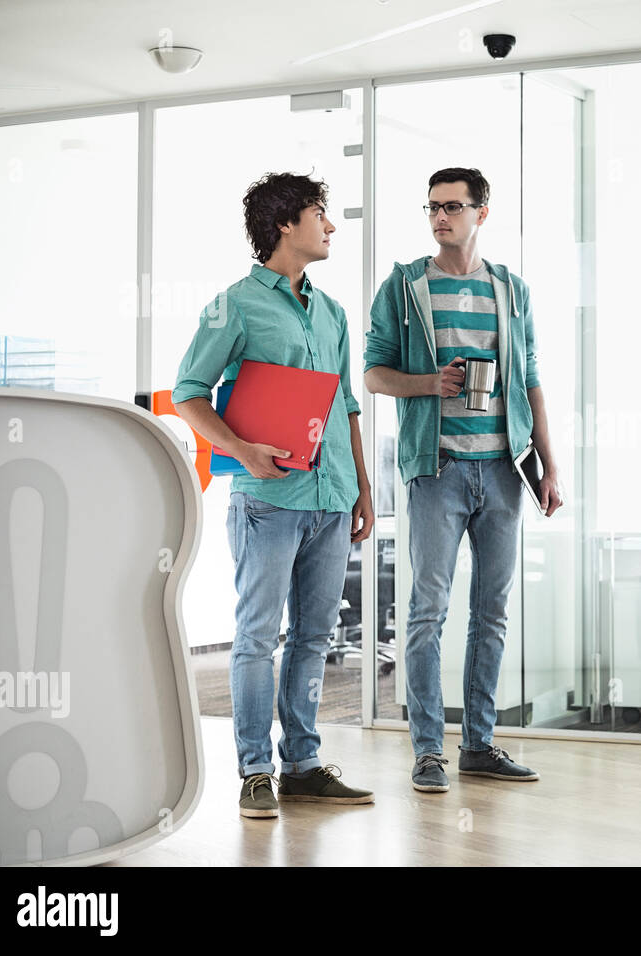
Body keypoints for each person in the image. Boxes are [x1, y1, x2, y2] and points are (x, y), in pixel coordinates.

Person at [172, 172, 375, 818]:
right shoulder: (234, 305)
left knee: (315, 636)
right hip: (268, 502)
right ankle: (256, 770)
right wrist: (239, 451)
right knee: (259, 635)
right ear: (285, 223)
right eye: (322, 213)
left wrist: (363, 490)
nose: (331, 226)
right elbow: (188, 393)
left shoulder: (334, 312)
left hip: (332, 497)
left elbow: (346, 408)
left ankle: (305, 765)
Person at [364, 167, 562, 793]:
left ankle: (479, 744)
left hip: (504, 470)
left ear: (482, 212)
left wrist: (549, 461)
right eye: (431, 208)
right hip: (437, 471)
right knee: (426, 612)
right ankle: (428, 751)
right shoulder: (404, 288)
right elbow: (372, 374)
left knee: (493, 612)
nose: (439, 217)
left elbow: (529, 375)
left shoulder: (511, 289)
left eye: (451, 206)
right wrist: (430, 384)